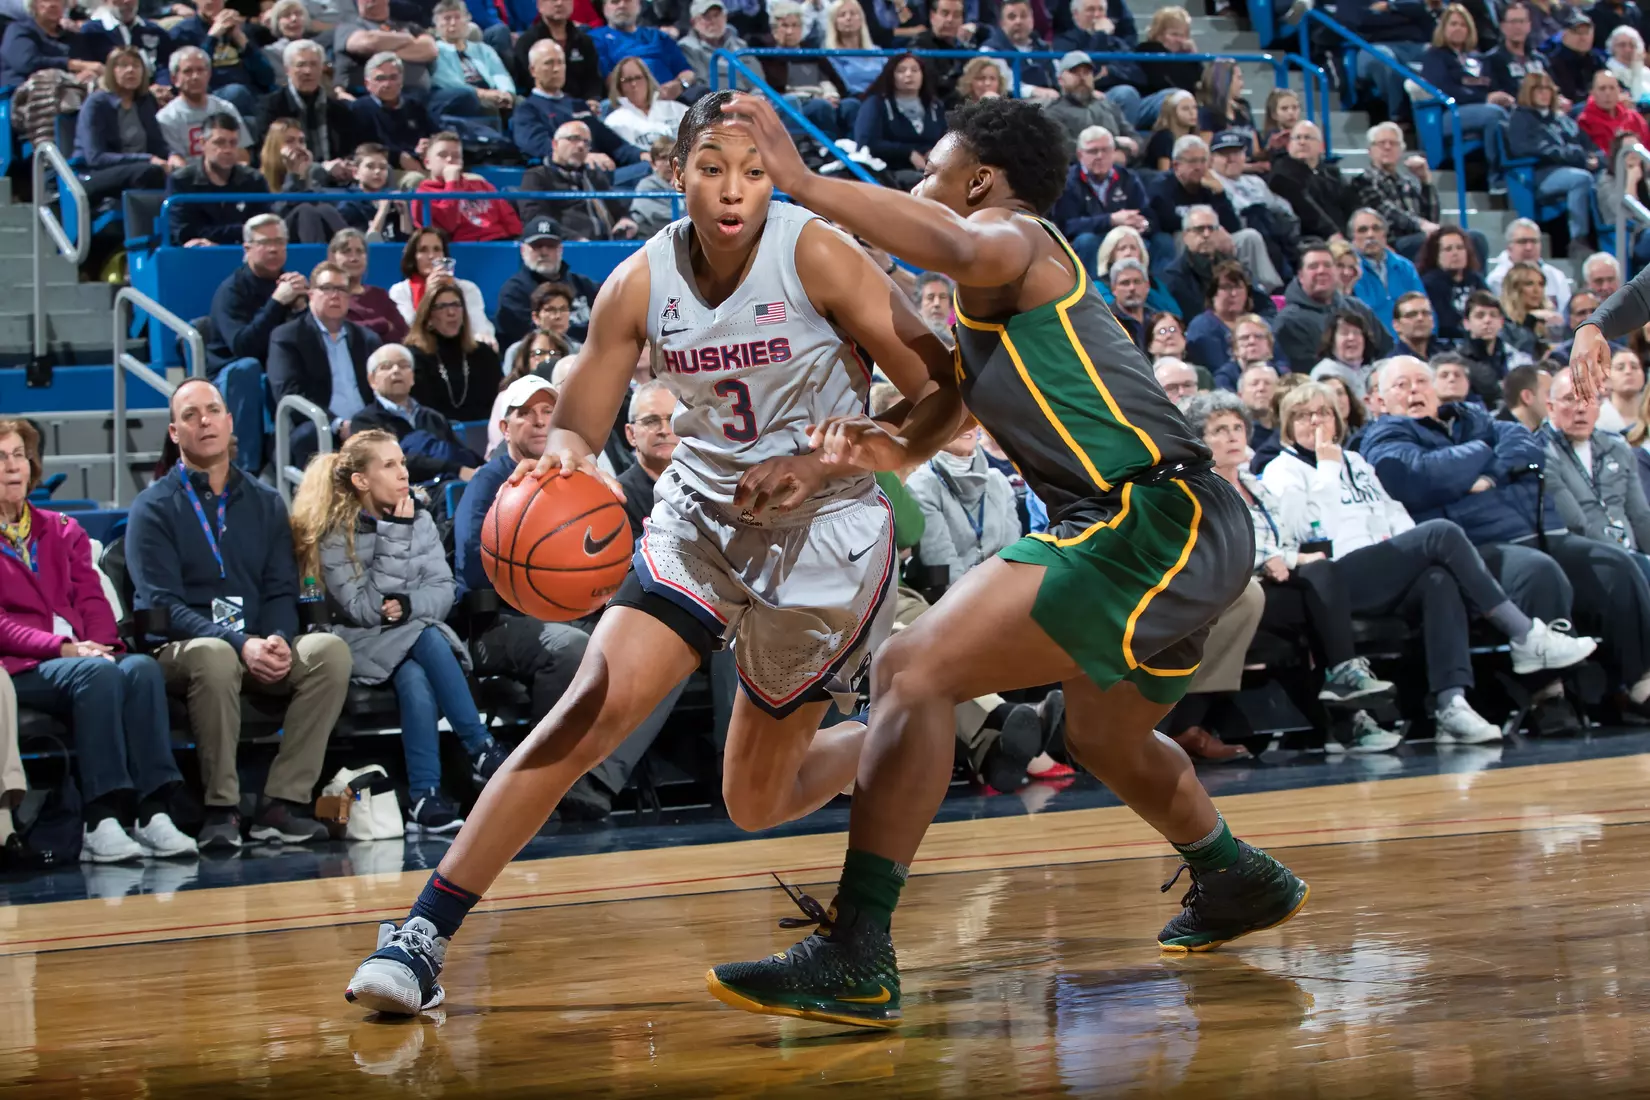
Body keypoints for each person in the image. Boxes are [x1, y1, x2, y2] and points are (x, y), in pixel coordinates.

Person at [345, 89, 970, 1018]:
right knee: (587, 708)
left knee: (756, 802)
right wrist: (558, 469)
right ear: (674, 172)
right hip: (701, 523)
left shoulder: (818, 253)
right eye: (711, 169)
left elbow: (948, 390)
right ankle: (425, 933)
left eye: (754, 172)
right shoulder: (640, 281)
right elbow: (581, 425)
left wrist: (834, 458)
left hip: (826, 538)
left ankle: (893, 738)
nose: (732, 191)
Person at [699, 93, 1309, 1026]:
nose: (919, 187)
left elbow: (956, 243)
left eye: (932, 171)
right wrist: (854, 450)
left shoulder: (1016, 239)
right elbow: (922, 436)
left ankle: (858, 947)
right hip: (1179, 531)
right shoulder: (990, 314)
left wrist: (802, 181)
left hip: (1149, 515)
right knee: (1100, 738)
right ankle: (1236, 876)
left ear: (979, 179)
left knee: (912, 666)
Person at [1256, 383, 1594, 740]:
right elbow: (1305, 531)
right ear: (1287, 425)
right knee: (1440, 533)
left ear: (1337, 420)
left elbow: (1394, 511)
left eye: (1323, 412)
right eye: (1303, 415)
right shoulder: (1283, 470)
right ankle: (1525, 635)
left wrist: (1401, 543)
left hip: (1379, 566)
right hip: (1332, 580)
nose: (1315, 421)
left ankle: (1451, 703)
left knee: (1437, 579)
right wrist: (1326, 470)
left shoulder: (1354, 462)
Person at [127, 379, 351, 851]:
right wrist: (239, 644)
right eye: (191, 415)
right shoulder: (152, 507)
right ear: (174, 431)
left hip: (256, 641)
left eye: (213, 410)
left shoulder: (265, 500)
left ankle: (281, 803)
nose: (204, 421)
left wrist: (274, 638)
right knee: (214, 656)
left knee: (328, 651)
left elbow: (280, 589)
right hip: (184, 649)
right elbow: (161, 604)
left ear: (230, 423)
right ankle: (221, 807)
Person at [1360, 356, 1650, 718]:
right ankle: (1549, 696)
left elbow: (1525, 445)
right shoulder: (1382, 438)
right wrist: (1485, 453)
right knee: (1537, 572)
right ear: (1379, 401)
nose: (1414, 390)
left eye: (1420, 381)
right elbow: (1419, 476)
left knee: (1616, 566)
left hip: (1535, 530)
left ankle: (1638, 686)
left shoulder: (1472, 418)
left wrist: (1485, 476)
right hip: (1472, 548)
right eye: (1401, 385)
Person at [0, 419, 196, 863]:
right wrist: (67, 650)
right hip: (20, 665)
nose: (12, 467)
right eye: (0, 457)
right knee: (95, 676)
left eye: (18, 456)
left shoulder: (61, 529)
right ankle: (100, 818)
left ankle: (152, 811)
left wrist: (102, 645)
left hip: (82, 655)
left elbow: (92, 599)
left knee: (141, 669)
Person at [291, 431, 506, 835]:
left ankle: (424, 798)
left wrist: (408, 607)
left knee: (415, 674)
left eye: (402, 463)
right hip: (356, 641)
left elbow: (442, 591)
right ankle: (479, 746)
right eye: (388, 465)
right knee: (425, 637)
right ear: (361, 480)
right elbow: (365, 610)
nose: (402, 473)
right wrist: (392, 533)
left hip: (408, 638)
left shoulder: (420, 519)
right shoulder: (335, 534)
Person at [205, 213, 309, 475]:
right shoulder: (231, 290)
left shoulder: (290, 284)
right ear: (247, 248)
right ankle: (243, 470)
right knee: (249, 370)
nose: (274, 249)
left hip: (277, 372)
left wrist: (302, 309)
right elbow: (243, 347)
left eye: (280, 242)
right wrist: (276, 303)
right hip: (232, 376)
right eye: (265, 242)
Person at [268, 260, 383, 467]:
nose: (335, 295)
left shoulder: (367, 339)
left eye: (341, 289)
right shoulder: (288, 337)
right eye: (327, 288)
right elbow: (289, 392)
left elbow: (381, 390)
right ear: (311, 293)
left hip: (365, 426)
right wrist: (338, 425)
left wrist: (362, 424)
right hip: (321, 428)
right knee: (309, 435)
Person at [1545, 366, 1650, 552]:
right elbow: (1576, 523)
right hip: (1585, 556)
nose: (1580, 409)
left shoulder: (1618, 449)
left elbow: (1641, 516)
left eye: (1588, 399)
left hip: (1631, 556)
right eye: (1570, 399)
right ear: (1551, 408)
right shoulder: (1542, 452)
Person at [906, 423, 1019, 586]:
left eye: (970, 420)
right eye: (956, 419)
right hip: (951, 600)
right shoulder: (921, 485)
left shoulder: (998, 481)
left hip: (1003, 593)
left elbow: (1013, 555)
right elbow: (941, 567)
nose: (966, 426)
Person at [350, 343, 484, 480]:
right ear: (372, 380)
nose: (396, 370)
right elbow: (390, 464)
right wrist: (454, 469)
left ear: (412, 377)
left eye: (403, 365)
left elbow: (457, 451)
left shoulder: (433, 417)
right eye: (386, 366)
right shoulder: (364, 421)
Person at [1506, 71, 1601, 259]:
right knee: (1581, 179)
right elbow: (1538, 150)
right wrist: (1579, 157)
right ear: (1528, 92)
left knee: (1604, 178)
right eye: (1538, 89)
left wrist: (1595, 158)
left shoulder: (1561, 118)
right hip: (1539, 175)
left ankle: (1606, 235)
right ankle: (1577, 240)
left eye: (1548, 89)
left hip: (1569, 167)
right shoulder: (1521, 118)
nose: (1544, 94)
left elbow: (1586, 144)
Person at [511, 39, 647, 167]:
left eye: (560, 62)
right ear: (533, 70)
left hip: (602, 173)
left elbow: (614, 144)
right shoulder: (527, 110)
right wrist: (582, 157)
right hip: (565, 178)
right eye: (549, 63)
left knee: (652, 167)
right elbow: (539, 146)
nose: (556, 69)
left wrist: (643, 155)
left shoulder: (578, 105)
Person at [1420, 4, 1512, 192]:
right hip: (1448, 114)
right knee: (1494, 114)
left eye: (1463, 25)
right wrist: (1485, 98)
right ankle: (1496, 177)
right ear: (1443, 28)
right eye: (1453, 24)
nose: (1458, 29)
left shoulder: (1479, 58)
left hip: (1481, 110)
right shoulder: (1435, 56)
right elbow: (1445, 89)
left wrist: (1502, 97)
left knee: (1509, 114)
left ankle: (1512, 175)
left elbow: (1491, 85)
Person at [1274, 239, 1393, 374]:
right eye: (1313, 266)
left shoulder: (1357, 308)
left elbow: (1387, 351)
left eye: (1328, 265)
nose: (1321, 271)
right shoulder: (1288, 321)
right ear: (1301, 276)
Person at [72, 45, 171, 205]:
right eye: (123, 65)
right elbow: (95, 158)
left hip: (144, 170)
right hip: (95, 174)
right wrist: (147, 159)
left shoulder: (146, 101)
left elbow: (158, 145)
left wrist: (174, 157)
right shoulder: (97, 103)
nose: (131, 70)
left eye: (136, 65)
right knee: (150, 171)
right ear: (112, 71)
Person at [1049, 126, 1150, 279]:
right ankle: (1095, 293)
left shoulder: (1128, 178)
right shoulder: (1067, 182)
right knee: (1087, 241)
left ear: (1114, 152)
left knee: (1154, 241)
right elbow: (1066, 226)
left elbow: (1148, 214)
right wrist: (1111, 220)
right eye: (1092, 151)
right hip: (1089, 241)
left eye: (1105, 150)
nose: (1099, 156)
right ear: (1080, 154)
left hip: (1123, 238)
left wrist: (1142, 224)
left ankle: (1146, 291)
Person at [521, 120, 641, 241]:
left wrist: (626, 220)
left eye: (586, 142)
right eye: (574, 138)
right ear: (555, 144)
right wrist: (574, 239)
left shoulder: (594, 176)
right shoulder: (537, 176)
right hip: (568, 248)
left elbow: (618, 210)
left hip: (607, 246)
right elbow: (536, 218)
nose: (581, 146)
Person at [405, 279, 505, 422]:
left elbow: (499, 403)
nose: (451, 312)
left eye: (456, 305)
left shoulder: (484, 354)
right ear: (428, 317)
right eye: (441, 307)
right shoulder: (414, 358)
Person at [166, 112, 271, 246]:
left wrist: (214, 237)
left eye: (233, 143)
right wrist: (243, 230)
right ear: (203, 143)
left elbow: (264, 228)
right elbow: (184, 232)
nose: (228, 150)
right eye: (220, 143)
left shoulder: (254, 180)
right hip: (197, 257)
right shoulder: (181, 181)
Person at [496, 216, 600, 351]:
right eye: (537, 246)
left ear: (560, 250)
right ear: (523, 251)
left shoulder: (582, 284)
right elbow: (530, 336)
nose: (544, 252)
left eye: (550, 246)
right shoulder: (513, 292)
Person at [852, 53, 948, 190]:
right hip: (888, 172)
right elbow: (867, 143)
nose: (909, 74)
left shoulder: (935, 105)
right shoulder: (876, 103)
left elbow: (945, 138)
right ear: (891, 75)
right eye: (901, 71)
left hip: (930, 170)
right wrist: (908, 153)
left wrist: (932, 152)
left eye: (915, 70)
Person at [389, 227, 497, 346]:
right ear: (413, 257)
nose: (431, 256)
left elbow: (479, 326)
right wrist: (429, 294)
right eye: (423, 250)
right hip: (421, 350)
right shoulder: (400, 291)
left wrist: (485, 339)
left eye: (437, 249)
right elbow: (408, 330)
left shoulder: (467, 288)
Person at [411, 131, 523, 243]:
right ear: (427, 163)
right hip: (464, 249)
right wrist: (452, 183)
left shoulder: (480, 184)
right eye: (443, 155)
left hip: (501, 242)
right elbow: (449, 224)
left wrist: (518, 242)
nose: (450, 160)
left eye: (456, 156)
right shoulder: (422, 196)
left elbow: (509, 218)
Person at [170, 0, 274, 118]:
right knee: (237, 93)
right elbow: (192, 74)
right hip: (211, 97)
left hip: (250, 97)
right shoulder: (184, 31)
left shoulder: (242, 29)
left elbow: (267, 77)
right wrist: (212, 38)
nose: (210, 1)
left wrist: (242, 41)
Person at [258, 39, 354, 163]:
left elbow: (349, 151)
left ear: (322, 68)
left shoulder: (340, 110)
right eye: (301, 65)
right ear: (287, 70)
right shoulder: (270, 107)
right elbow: (268, 154)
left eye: (314, 64)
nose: (308, 71)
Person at [157, 45, 256, 158]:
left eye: (200, 70)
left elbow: (242, 154)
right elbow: (176, 163)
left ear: (209, 74)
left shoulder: (226, 109)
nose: (195, 77)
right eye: (188, 71)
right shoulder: (166, 118)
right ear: (174, 79)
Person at [1268, 121, 1358, 243]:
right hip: (1309, 240)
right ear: (1289, 146)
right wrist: (1332, 234)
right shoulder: (1282, 173)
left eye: (1308, 137)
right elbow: (1305, 208)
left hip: (1344, 238)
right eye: (1297, 138)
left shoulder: (1332, 173)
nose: (1302, 142)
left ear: (1322, 146)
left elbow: (1351, 203)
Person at [350, 53, 437, 172]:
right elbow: (363, 148)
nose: (387, 84)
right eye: (380, 79)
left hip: (423, 165)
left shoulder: (415, 106)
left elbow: (436, 135)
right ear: (367, 84)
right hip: (384, 171)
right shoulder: (359, 109)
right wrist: (398, 157)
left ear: (401, 80)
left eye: (393, 77)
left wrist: (429, 146)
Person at [431, 0, 516, 121]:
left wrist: (506, 93)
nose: (453, 23)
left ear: (468, 20)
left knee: (522, 104)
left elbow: (499, 73)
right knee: (487, 108)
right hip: (464, 99)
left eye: (458, 17)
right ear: (436, 24)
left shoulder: (482, 49)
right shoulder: (435, 51)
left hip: (494, 94)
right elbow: (449, 83)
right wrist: (484, 94)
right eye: (447, 18)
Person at [333, 0, 437, 100]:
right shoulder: (349, 27)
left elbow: (429, 49)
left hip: (419, 94)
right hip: (373, 95)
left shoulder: (408, 26)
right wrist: (408, 39)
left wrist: (382, 52)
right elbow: (366, 43)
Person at [589, 0, 695, 97]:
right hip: (630, 101)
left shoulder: (658, 36)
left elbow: (687, 72)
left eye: (628, 1)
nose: (622, 5)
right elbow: (610, 80)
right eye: (615, 2)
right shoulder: (596, 39)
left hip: (673, 99)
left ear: (639, 5)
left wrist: (680, 85)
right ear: (604, 8)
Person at [1350, 208, 1426, 337]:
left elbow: (1424, 308)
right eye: (1363, 230)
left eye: (1376, 228)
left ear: (1384, 234)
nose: (1370, 235)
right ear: (1353, 239)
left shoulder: (1405, 267)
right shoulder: (1350, 271)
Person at [511, 0, 603, 102]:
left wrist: (592, 99)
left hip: (582, 106)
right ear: (539, 5)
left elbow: (593, 79)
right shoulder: (527, 42)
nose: (559, 3)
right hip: (544, 106)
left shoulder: (584, 41)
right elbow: (526, 82)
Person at [1043, 52, 1136, 152]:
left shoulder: (1109, 107)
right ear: (1060, 80)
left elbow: (1134, 140)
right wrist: (1113, 146)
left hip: (1118, 166)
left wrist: (1125, 155)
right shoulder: (1053, 113)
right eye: (1075, 72)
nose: (1082, 77)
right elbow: (1063, 148)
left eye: (1086, 72)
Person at [328, 227, 407, 344]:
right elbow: (340, 333)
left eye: (359, 251)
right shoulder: (328, 297)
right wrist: (382, 324)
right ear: (333, 258)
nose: (354, 258)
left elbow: (403, 334)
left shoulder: (379, 295)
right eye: (346, 251)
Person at [1455, 290, 1535, 405]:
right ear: (1466, 323)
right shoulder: (1457, 361)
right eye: (1480, 315)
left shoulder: (1517, 359)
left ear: (1501, 322)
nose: (1487, 320)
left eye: (1493, 315)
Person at [77, 0, 173, 88]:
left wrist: (162, 86)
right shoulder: (92, 32)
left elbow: (164, 64)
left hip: (152, 92)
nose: (127, 1)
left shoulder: (155, 31)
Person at [1419, 226, 1489, 340]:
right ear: (1436, 255)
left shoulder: (1475, 279)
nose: (1455, 253)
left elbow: (1492, 309)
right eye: (1448, 249)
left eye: (1460, 248)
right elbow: (1444, 324)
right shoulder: (1430, 284)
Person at [603, 55, 687, 147]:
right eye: (627, 80)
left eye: (638, 77)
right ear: (619, 86)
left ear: (647, 80)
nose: (634, 84)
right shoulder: (615, 121)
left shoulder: (675, 108)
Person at [1579, 67, 1650, 160]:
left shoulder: (1633, 116)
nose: (1608, 93)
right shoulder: (1585, 121)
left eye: (1612, 88)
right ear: (1592, 93)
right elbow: (1597, 155)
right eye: (1602, 89)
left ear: (1619, 91)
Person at [677, 0, 748, 90]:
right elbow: (700, 84)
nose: (713, 21)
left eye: (717, 15)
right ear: (694, 22)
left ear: (725, 17)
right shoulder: (686, 47)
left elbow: (756, 80)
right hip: (713, 99)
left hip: (745, 97)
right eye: (706, 17)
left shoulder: (740, 45)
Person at [1310, 309, 1381, 397]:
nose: (1351, 338)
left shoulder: (1373, 371)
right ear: (1332, 340)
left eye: (1356, 332)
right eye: (1344, 332)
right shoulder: (1324, 373)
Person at [1500, 261, 1562, 353]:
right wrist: (1530, 321)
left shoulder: (1546, 319)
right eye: (1529, 284)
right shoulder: (1504, 323)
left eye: (1541, 284)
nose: (1536, 290)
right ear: (1514, 288)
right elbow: (1522, 353)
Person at [1549, 14, 1607, 103]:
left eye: (1586, 32)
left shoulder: (1596, 58)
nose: (1583, 38)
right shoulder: (1555, 62)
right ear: (1564, 35)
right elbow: (1569, 94)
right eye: (1577, 32)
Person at [1144, 90, 1199, 172]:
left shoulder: (1193, 137)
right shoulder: (1164, 137)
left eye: (1194, 107)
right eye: (1185, 109)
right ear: (1173, 112)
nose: (1192, 113)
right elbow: (1164, 174)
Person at [1393, 292, 1446, 360]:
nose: (1420, 318)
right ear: (1396, 325)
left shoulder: (1447, 356)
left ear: (1433, 321)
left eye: (1426, 313)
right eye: (1411, 314)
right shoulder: (1392, 364)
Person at [1501, 361, 1553, 431]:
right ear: (1527, 397)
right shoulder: (1499, 437)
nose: (1554, 401)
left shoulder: (1544, 434)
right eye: (1549, 394)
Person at [1607, 25, 1650, 102]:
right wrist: (1636, 73)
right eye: (1622, 45)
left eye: (1632, 45)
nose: (1628, 49)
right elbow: (1636, 99)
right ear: (1613, 48)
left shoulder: (1646, 72)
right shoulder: (1608, 73)